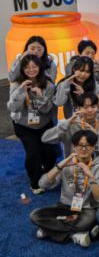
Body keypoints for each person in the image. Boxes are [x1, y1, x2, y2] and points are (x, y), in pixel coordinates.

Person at [31, 130, 99, 247]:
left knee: (87, 221)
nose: (83, 149)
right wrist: (59, 166)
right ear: (74, 147)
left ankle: (49, 230)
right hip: (65, 206)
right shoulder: (66, 164)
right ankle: (74, 235)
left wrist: (90, 177)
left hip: (87, 208)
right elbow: (42, 184)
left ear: (94, 147)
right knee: (35, 215)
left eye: (87, 145)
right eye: (80, 145)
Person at [7, 54, 59, 194]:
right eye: (27, 67)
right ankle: (35, 182)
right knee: (33, 152)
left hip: (44, 124)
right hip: (23, 125)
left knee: (51, 153)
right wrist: (20, 91)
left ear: (40, 67)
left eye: (34, 66)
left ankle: (47, 175)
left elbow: (47, 109)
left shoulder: (48, 84)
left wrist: (40, 96)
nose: (31, 70)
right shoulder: (16, 84)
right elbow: (13, 108)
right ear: (22, 69)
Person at [43, 92, 99, 158]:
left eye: (93, 107)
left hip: (98, 163)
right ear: (78, 108)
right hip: (73, 163)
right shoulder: (70, 124)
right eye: (85, 107)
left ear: (98, 108)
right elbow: (45, 138)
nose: (90, 110)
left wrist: (96, 136)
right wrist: (66, 124)